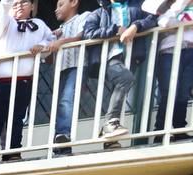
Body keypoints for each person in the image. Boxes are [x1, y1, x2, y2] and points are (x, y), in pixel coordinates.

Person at [0, 0, 54, 156]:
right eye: (15, 2)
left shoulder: (39, 24)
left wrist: (42, 46)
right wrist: (7, 3)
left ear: (32, 6)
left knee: (17, 118)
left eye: (24, 2)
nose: (18, 5)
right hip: (0, 82)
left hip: (23, 81)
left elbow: (51, 40)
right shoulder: (7, 21)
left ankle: (13, 151)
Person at [81, 0, 144, 144]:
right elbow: (88, 33)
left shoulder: (136, 6)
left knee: (121, 86)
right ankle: (110, 123)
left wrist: (135, 26)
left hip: (130, 55)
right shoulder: (98, 13)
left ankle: (109, 139)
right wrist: (114, 29)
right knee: (125, 79)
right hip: (109, 56)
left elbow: (151, 18)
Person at [45, 0, 90, 153]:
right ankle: (60, 145)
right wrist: (50, 46)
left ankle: (63, 134)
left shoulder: (83, 17)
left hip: (76, 66)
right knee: (60, 106)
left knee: (67, 101)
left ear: (74, 2)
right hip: (60, 70)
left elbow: (82, 35)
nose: (56, 10)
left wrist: (62, 41)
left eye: (60, 5)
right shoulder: (59, 30)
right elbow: (48, 59)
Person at [146, 0, 193, 137]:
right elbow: (165, 22)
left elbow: (172, 25)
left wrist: (178, 26)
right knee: (170, 90)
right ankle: (160, 130)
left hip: (190, 52)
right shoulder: (168, 6)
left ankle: (179, 129)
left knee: (183, 92)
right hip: (169, 51)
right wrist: (181, 4)